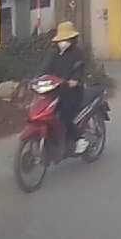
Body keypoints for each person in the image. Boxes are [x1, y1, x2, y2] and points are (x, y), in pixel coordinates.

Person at [40, 21, 88, 154]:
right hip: (54, 91)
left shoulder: (77, 54)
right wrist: (35, 78)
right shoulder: (53, 54)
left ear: (73, 39)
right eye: (61, 40)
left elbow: (79, 69)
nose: (63, 42)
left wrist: (74, 80)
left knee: (64, 117)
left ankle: (80, 139)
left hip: (73, 93)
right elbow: (44, 69)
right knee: (46, 114)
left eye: (66, 39)